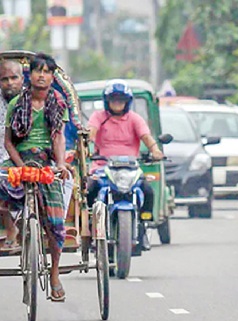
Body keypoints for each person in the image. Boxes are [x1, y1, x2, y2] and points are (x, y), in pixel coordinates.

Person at [1, 53, 71, 301]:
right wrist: (19, 166)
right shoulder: (16, 104)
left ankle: (54, 274)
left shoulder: (58, 104)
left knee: (56, 224)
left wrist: (60, 163)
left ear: (52, 76)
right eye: (37, 71)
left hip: (45, 160)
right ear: (29, 75)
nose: (41, 75)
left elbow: (58, 138)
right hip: (19, 157)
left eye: (46, 71)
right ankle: (15, 227)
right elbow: (8, 142)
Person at [86, 80, 163, 220]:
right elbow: (91, 132)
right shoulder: (98, 116)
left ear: (127, 102)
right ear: (107, 101)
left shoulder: (135, 119)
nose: (117, 103)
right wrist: (85, 147)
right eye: (113, 99)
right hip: (103, 167)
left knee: (148, 190)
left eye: (121, 100)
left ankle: (144, 221)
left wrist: (155, 150)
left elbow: (146, 136)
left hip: (131, 168)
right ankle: (90, 222)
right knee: (90, 189)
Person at [0, 60, 24, 251]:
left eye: (14, 77)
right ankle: (11, 229)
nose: (9, 83)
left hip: (28, 153)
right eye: (4, 79)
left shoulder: (34, 98)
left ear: (22, 79)